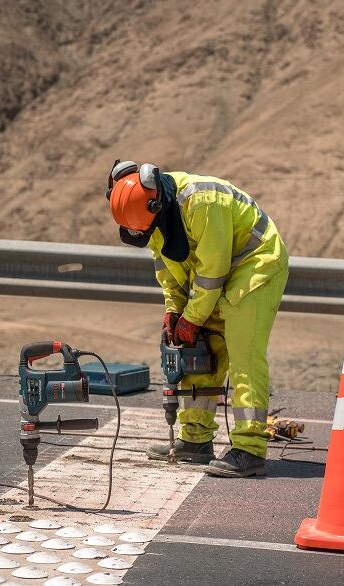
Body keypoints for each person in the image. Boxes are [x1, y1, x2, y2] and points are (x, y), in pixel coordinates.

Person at [106, 160, 288, 477]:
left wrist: (191, 318)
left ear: (155, 203)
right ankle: (195, 440)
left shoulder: (202, 201)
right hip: (214, 277)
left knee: (244, 354)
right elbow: (167, 269)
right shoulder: (155, 218)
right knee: (201, 352)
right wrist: (174, 310)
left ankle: (249, 448)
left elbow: (212, 271)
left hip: (254, 265)